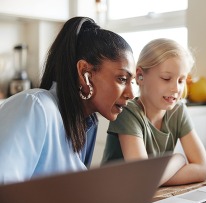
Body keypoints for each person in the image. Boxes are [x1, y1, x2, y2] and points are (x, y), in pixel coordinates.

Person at [0, 16, 135, 185]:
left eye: (133, 81)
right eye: (122, 79)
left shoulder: (87, 123)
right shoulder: (36, 106)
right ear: (85, 72)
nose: (131, 93)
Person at [102, 38, 206, 186]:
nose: (176, 89)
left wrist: (155, 179)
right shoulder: (127, 112)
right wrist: (178, 159)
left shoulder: (178, 111)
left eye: (181, 80)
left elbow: (203, 169)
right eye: (166, 78)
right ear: (140, 76)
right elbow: (143, 178)